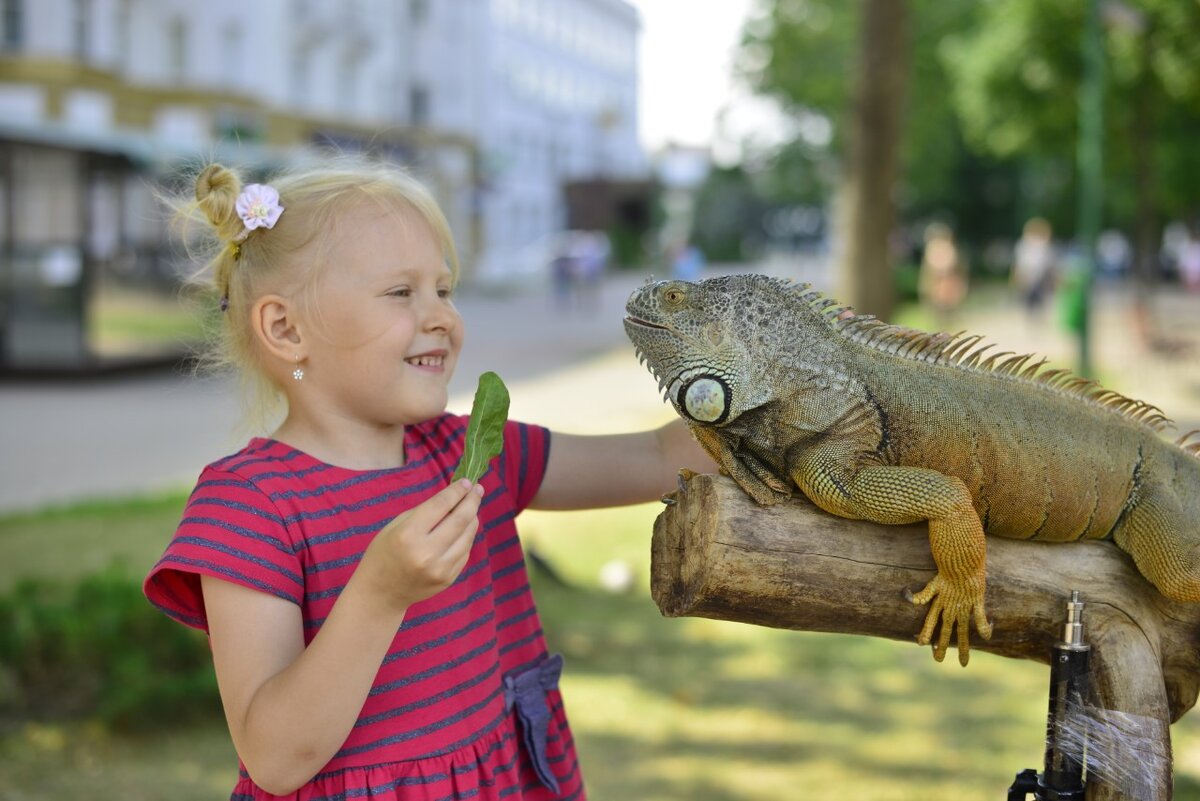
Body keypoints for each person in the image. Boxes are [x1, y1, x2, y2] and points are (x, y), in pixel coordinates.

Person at [142, 157, 716, 800]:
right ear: (286, 328)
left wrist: (804, 397)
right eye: (400, 292)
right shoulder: (250, 507)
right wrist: (380, 593)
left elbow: (657, 459)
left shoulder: (473, 452)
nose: (441, 315)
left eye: (443, 290)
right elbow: (275, 757)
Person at [917, 222, 967, 325]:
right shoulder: (933, 248)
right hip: (938, 282)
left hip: (947, 281)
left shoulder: (947, 248)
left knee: (948, 305)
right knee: (938, 307)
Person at [1011, 217, 1057, 315]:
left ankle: (1036, 312)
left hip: (1040, 274)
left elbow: (1049, 262)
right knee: (1030, 296)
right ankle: (1032, 312)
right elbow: (1020, 262)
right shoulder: (1024, 244)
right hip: (1029, 273)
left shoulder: (1043, 245)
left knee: (1039, 296)